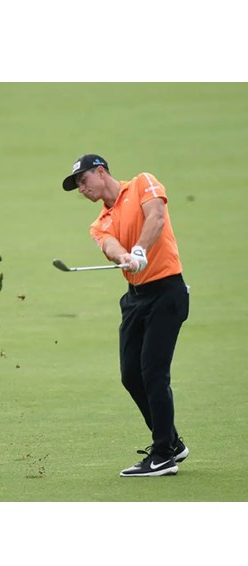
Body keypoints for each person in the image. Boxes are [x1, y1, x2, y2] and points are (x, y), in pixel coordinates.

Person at [62, 154, 190, 478]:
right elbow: (110, 246)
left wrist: (140, 250)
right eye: (77, 186)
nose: (81, 189)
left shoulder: (142, 183)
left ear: (101, 172)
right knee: (131, 374)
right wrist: (125, 256)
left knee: (153, 372)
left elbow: (156, 217)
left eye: (83, 181)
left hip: (166, 292)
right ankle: (172, 441)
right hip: (135, 300)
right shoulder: (99, 223)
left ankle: (163, 455)